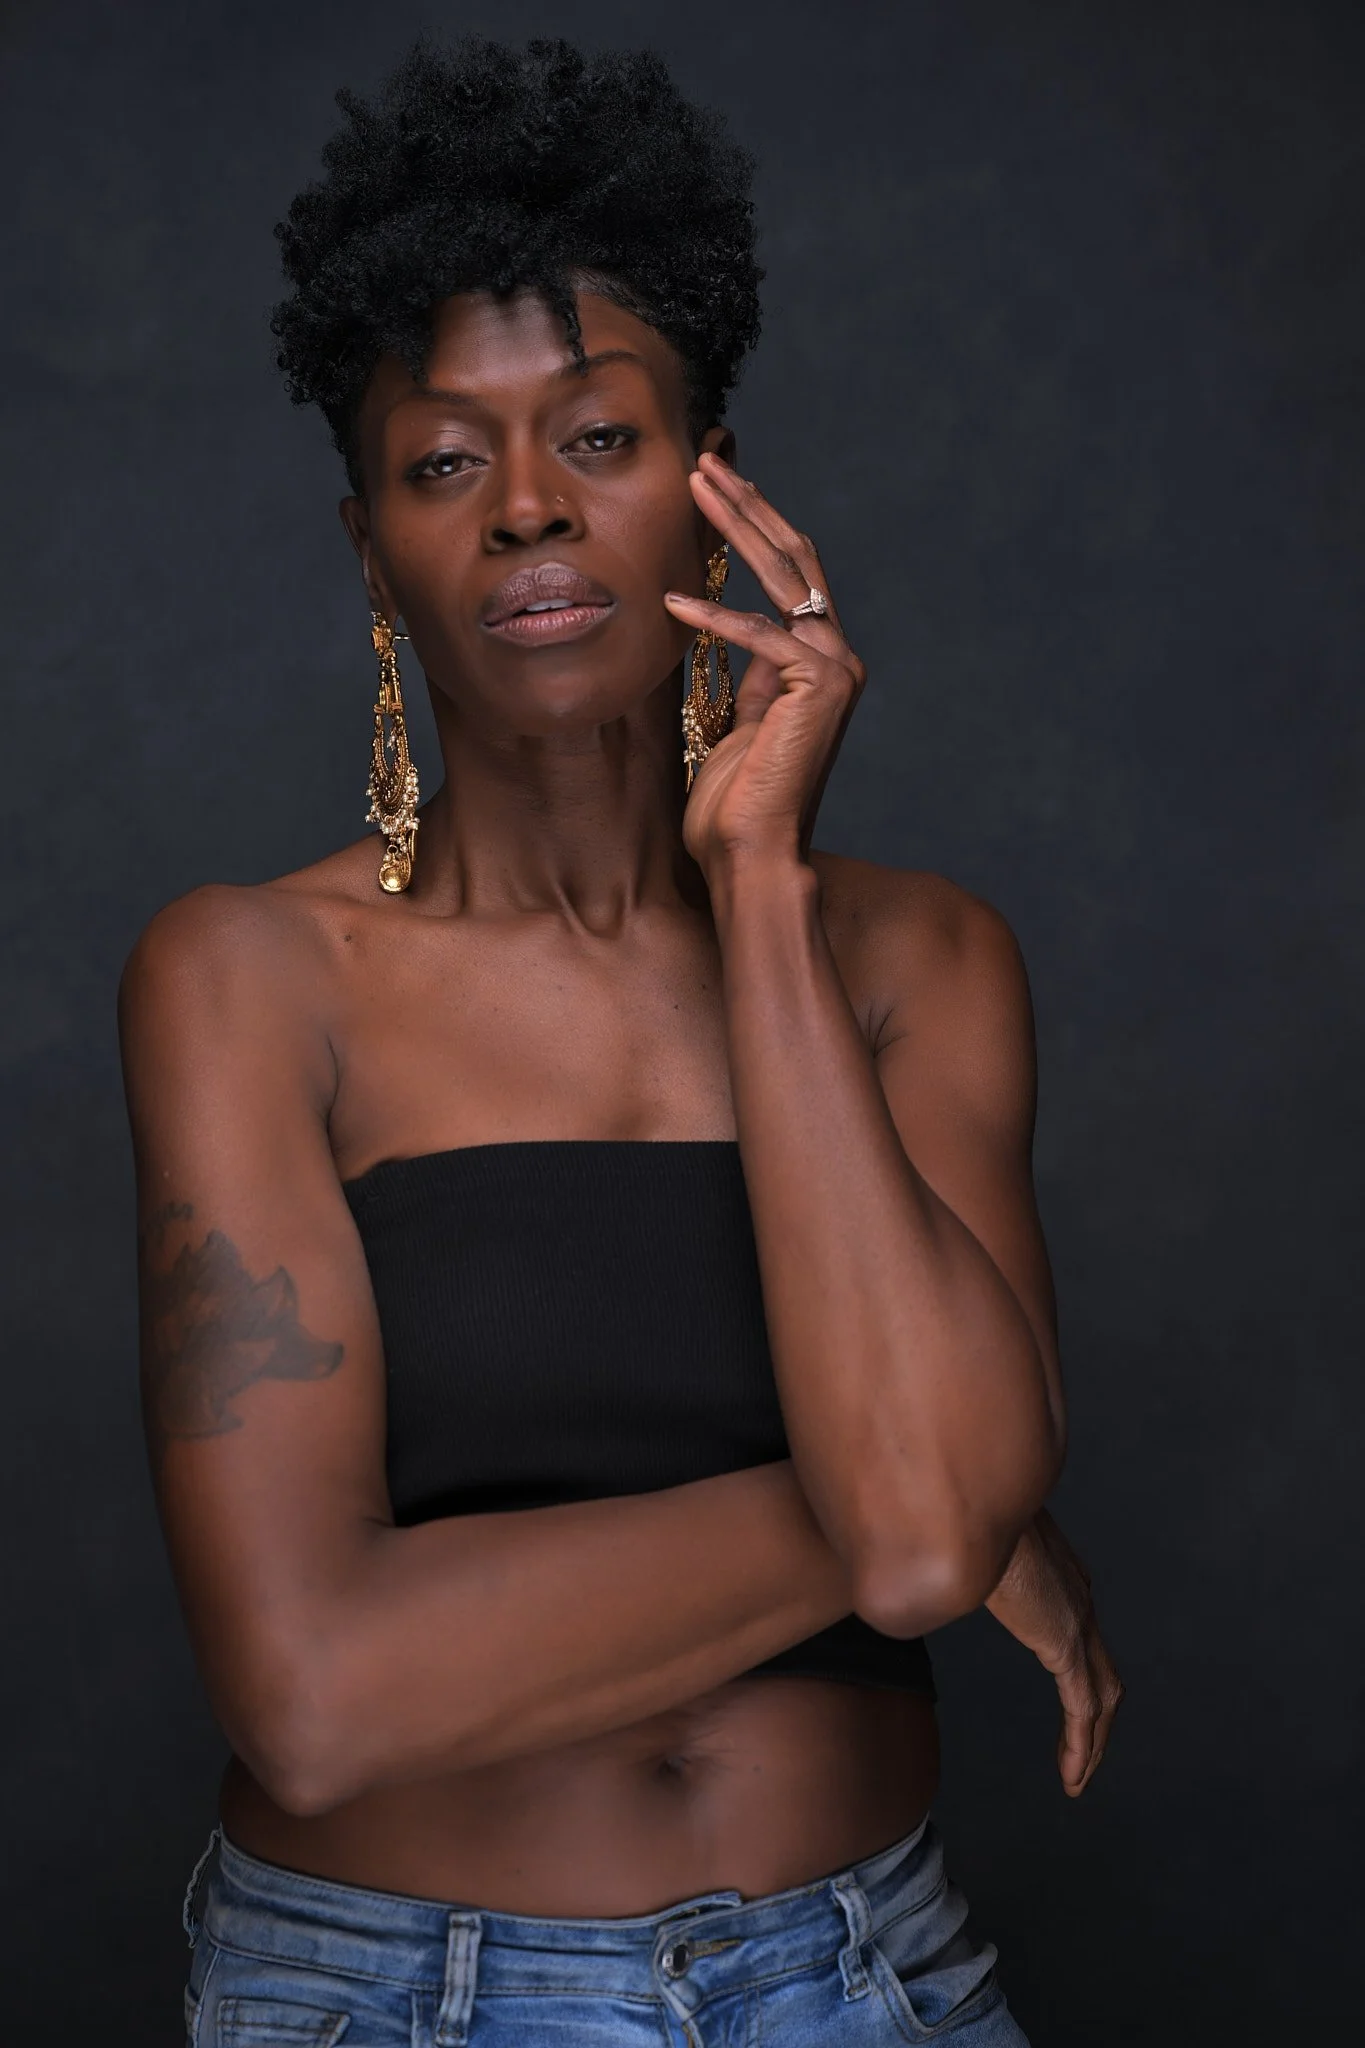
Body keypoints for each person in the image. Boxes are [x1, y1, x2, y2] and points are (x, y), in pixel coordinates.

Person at [119, 36, 1122, 2048]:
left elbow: (938, 1503)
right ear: (370, 547)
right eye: (439, 461)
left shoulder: (912, 955)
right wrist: (893, 1512)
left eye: (595, 437)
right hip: (403, 1997)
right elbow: (317, 1693)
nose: (521, 514)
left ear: (714, 483)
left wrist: (758, 890)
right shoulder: (249, 978)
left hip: (868, 1977)